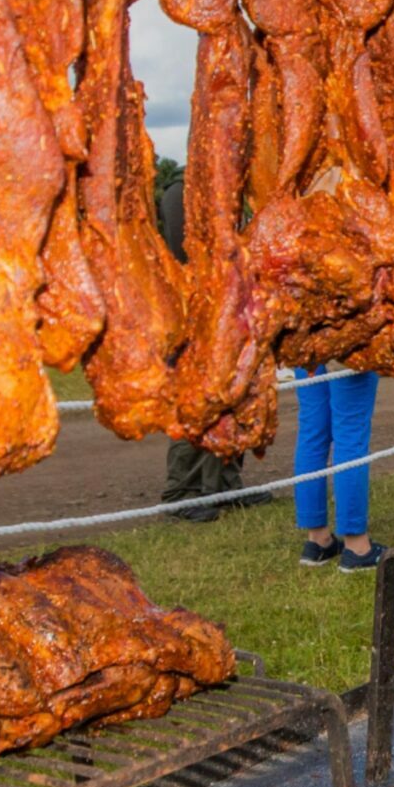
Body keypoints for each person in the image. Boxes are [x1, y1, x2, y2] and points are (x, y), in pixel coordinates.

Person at [156, 168, 243, 522]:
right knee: (195, 404)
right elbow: (185, 250)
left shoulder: (221, 187)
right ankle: (182, 492)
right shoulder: (180, 192)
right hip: (192, 311)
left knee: (228, 400)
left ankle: (224, 486)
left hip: (220, 309)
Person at [293, 363, 381, 569]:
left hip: (304, 338)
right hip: (344, 343)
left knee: (312, 430)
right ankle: (357, 546)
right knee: (350, 432)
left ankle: (317, 539)